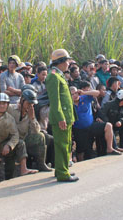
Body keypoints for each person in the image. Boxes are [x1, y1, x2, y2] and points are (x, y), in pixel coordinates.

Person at [0, 93, 37, 183]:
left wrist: (9, 145)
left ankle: (12, 177)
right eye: (0, 103)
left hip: (1, 148)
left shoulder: (10, 119)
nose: (2, 106)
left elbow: (15, 135)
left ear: (7, 105)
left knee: (9, 169)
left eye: (5, 103)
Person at [45, 49, 78, 182]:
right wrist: (61, 118)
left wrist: (70, 117)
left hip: (67, 116)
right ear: (60, 62)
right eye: (67, 60)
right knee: (62, 145)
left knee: (66, 144)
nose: (69, 63)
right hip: (61, 117)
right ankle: (62, 173)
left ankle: (62, 169)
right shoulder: (53, 76)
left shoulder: (59, 75)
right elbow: (55, 100)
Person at [71, 86, 122, 160]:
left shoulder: (85, 97)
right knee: (81, 151)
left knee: (108, 126)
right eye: (72, 94)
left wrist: (84, 92)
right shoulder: (69, 104)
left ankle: (110, 148)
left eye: (76, 93)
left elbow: (97, 93)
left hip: (91, 126)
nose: (75, 95)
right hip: (79, 130)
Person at [7, 89, 52, 171]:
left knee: (41, 136)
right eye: (28, 103)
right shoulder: (11, 109)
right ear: (22, 101)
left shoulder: (30, 113)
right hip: (11, 139)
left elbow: (36, 131)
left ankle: (41, 163)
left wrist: (32, 118)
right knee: (21, 143)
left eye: (32, 104)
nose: (30, 106)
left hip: (24, 138)